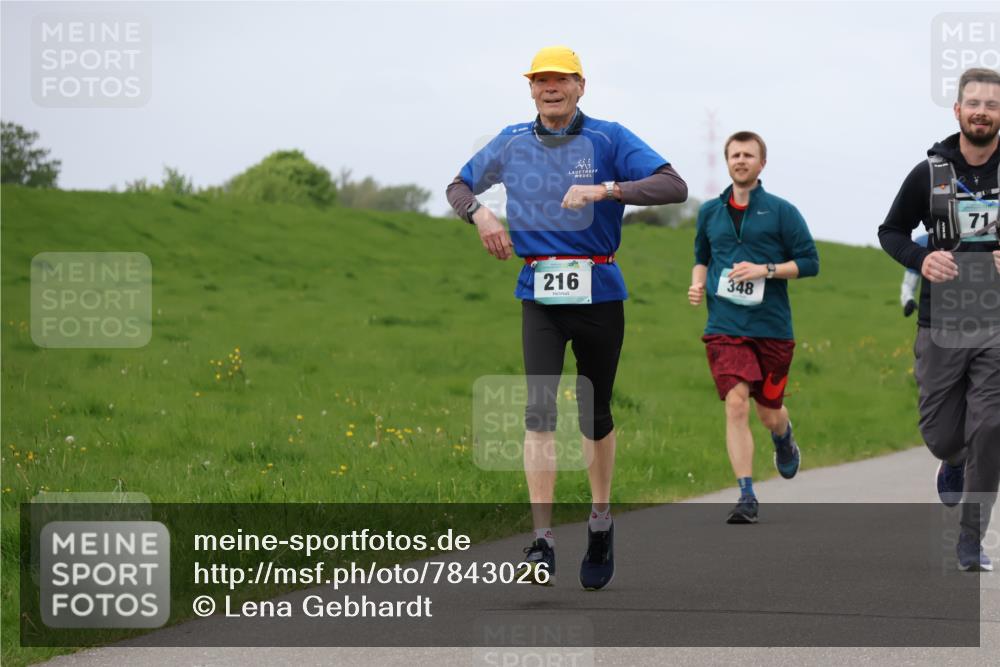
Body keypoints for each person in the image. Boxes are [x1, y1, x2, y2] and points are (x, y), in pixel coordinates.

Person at [446, 46, 687, 589]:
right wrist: (480, 211)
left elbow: (674, 185)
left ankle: (601, 522)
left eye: (561, 80)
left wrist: (607, 189)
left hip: (599, 289)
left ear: (581, 85)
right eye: (540, 81)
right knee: (539, 412)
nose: (549, 88)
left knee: (594, 414)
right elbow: (457, 185)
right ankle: (542, 541)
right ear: (530, 89)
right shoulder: (511, 140)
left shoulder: (608, 138)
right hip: (539, 291)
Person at [878, 67, 1000, 572]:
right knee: (943, 436)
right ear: (957, 110)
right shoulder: (930, 172)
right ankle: (950, 461)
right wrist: (921, 259)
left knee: (991, 427)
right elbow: (891, 231)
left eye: (992, 105)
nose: (982, 111)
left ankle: (972, 537)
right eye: (974, 102)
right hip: (942, 319)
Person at [688, 131, 819, 524]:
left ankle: (784, 436)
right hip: (725, 324)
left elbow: (810, 263)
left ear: (762, 163)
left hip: (772, 328)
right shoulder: (710, 212)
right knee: (736, 402)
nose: (740, 160)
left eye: (748, 155)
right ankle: (746, 494)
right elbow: (701, 257)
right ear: (727, 161)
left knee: (769, 410)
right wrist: (697, 282)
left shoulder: (781, 211)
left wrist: (766, 269)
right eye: (734, 155)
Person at [900, 233, 929, 317]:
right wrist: (908, 300)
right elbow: (909, 283)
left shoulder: (967, 239)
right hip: (929, 315)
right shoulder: (922, 242)